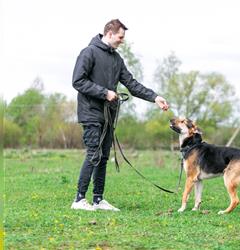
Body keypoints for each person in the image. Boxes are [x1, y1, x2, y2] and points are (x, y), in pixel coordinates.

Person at [71, 19, 169, 211]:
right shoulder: (88, 52)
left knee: (104, 156)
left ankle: (98, 199)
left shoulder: (117, 59)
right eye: (120, 37)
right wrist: (105, 92)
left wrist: (155, 97)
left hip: (108, 115)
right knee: (94, 154)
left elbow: (132, 84)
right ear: (109, 33)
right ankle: (79, 200)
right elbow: (78, 81)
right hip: (90, 112)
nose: (122, 41)